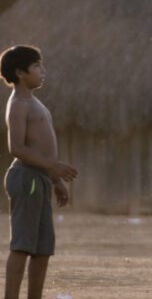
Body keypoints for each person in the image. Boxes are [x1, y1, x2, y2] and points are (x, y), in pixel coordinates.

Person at [2, 45, 77, 299]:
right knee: (22, 246)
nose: (43, 71)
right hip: (26, 178)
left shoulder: (35, 102)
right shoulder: (19, 104)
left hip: (42, 178)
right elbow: (17, 148)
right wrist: (52, 167)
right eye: (37, 66)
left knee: (43, 248)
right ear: (21, 72)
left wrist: (55, 179)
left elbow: (42, 147)